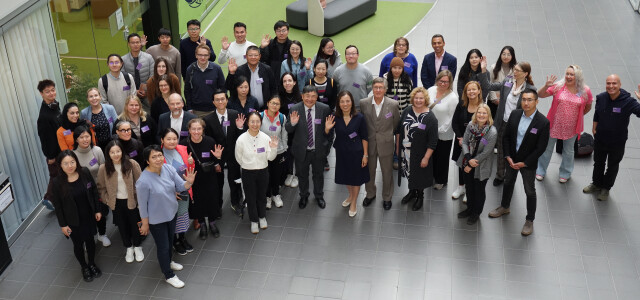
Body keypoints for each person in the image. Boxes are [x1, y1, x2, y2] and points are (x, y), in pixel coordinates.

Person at [488, 89, 550, 236]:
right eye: (524, 99)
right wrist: (508, 156)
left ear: (537, 101)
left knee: (529, 190)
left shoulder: (543, 122)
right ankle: (504, 206)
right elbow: (506, 137)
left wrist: (525, 163)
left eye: (530, 100)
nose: (526, 103)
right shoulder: (515, 114)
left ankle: (530, 220)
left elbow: (540, 148)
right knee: (508, 182)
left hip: (528, 163)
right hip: (512, 159)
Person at [136, 145, 196, 288]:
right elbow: (142, 206)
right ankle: (168, 274)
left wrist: (189, 182)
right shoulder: (143, 181)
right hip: (157, 220)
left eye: (160, 155)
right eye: (154, 157)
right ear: (147, 161)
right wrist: (145, 224)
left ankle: (168, 261)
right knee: (163, 247)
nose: (158, 159)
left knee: (169, 242)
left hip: (171, 213)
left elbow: (181, 186)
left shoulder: (168, 169)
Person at [480, 60, 536, 186]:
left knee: (513, 152)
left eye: (517, 70)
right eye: (514, 69)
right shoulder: (507, 82)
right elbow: (488, 86)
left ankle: (511, 176)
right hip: (503, 123)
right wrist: (483, 70)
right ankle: (500, 175)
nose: (514, 72)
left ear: (525, 74)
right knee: (500, 150)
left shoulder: (529, 89)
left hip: (517, 126)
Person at [583, 76, 640, 200]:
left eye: (614, 83)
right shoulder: (601, 97)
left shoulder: (629, 102)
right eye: (608, 83)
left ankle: (606, 188)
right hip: (600, 139)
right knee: (598, 163)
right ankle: (596, 184)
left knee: (612, 165)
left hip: (617, 142)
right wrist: (594, 127)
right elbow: (597, 113)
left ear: (620, 85)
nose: (611, 86)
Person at [51, 150, 102, 282]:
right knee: (78, 244)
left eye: (72, 162)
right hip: (73, 220)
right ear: (60, 166)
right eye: (66, 163)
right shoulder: (57, 183)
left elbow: (94, 191)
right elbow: (58, 206)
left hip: (88, 216)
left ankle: (91, 263)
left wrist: (97, 210)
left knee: (90, 241)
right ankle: (84, 267)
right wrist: (63, 225)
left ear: (76, 161)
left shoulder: (84, 172)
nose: (70, 166)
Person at [536, 65, 593, 183]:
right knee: (547, 148)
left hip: (572, 128)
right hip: (554, 124)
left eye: (572, 74)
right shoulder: (558, 86)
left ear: (578, 76)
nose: (569, 76)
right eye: (567, 74)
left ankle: (565, 173)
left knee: (569, 151)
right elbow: (540, 95)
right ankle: (540, 170)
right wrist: (546, 86)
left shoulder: (585, 90)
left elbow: (588, 105)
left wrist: (578, 116)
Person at [285, 85, 334, 209]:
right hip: (301, 151)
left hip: (318, 150)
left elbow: (330, 132)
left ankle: (319, 196)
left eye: (313, 96)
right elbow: (288, 129)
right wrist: (293, 123)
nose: (310, 99)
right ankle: (304, 195)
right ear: (302, 96)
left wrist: (326, 148)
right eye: (307, 96)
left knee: (318, 175)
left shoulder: (324, 109)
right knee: (302, 175)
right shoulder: (295, 109)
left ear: (317, 97)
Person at [97, 140, 144, 262]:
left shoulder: (132, 164)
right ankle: (128, 247)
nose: (116, 154)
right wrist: (107, 200)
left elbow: (141, 182)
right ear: (108, 154)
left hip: (132, 200)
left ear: (122, 151)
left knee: (135, 224)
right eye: (112, 152)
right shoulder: (104, 168)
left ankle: (138, 247)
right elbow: (101, 187)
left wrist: (140, 200)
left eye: (118, 151)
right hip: (116, 202)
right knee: (122, 226)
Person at [360, 77, 400, 210]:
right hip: (369, 143)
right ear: (372, 88)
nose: (378, 90)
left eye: (380, 87)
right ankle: (370, 193)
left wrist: (387, 135)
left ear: (385, 89)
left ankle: (387, 197)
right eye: (375, 87)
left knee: (387, 172)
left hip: (386, 143)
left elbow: (395, 125)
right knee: (369, 171)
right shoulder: (364, 103)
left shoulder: (393, 104)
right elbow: (362, 124)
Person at [180, 119, 224, 239]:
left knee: (211, 200)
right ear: (189, 130)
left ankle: (212, 223)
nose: (196, 131)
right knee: (198, 202)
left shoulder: (210, 141)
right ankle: (202, 224)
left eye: (199, 129)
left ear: (203, 129)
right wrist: (187, 163)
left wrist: (218, 158)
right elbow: (180, 166)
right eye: (193, 129)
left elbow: (215, 162)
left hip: (209, 177)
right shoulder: (183, 145)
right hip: (194, 179)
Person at [203, 90, 245, 216]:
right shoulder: (208, 119)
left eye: (223, 99)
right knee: (218, 183)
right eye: (217, 99)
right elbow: (209, 141)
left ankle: (235, 202)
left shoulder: (235, 114)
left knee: (235, 180)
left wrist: (240, 128)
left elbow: (240, 137)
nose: (220, 102)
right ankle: (218, 206)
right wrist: (215, 162)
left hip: (233, 155)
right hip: (218, 156)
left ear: (227, 100)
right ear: (213, 102)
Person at [236, 112, 279, 233]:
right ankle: (254, 220)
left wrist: (274, 148)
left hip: (263, 171)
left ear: (261, 123)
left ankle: (262, 217)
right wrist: (248, 165)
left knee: (261, 196)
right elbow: (238, 157)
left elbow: (270, 158)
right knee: (250, 197)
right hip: (247, 172)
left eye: (257, 122)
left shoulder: (265, 138)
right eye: (252, 122)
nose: (255, 124)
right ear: (247, 123)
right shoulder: (241, 139)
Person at [396, 87, 438, 211]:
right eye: (416, 98)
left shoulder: (430, 118)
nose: (418, 100)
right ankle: (411, 192)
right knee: (410, 172)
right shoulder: (407, 110)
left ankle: (420, 196)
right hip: (406, 151)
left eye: (421, 98)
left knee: (420, 175)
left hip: (421, 153)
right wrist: (398, 147)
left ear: (425, 99)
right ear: (413, 98)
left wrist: (426, 157)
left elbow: (433, 141)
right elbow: (399, 130)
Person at [456, 104, 497, 225]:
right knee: (469, 188)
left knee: (479, 190)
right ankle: (469, 209)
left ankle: (476, 213)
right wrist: (468, 158)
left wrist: (471, 163)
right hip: (467, 160)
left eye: (484, 113)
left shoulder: (492, 132)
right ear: (476, 114)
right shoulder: (471, 125)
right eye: (479, 112)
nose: (481, 115)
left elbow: (486, 152)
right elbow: (464, 142)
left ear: (488, 115)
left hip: (481, 165)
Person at [332, 91, 369, 217]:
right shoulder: (335, 117)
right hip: (342, 152)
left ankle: (353, 202)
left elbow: (364, 137)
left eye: (348, 101)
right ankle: (351, 195)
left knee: (356, 179)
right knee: (346, 176)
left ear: (352, 102)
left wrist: (365, 154)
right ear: (338, 103)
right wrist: (326, 128)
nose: (345, 104)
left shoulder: (359, 118)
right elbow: (327, 134)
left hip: (356, 152)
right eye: (342, 101)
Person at [72, 126, 110, 247]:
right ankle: (88, 237)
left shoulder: (97, 151)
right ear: (76, 139)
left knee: (101, 213)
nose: (85, 139)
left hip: (98, 189)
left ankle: (102, 234)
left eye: (87, 136)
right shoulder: (73, 155)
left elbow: (104, 168)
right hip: (83, 192)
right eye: (81, 137)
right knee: (86, 216)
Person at [160, 128, 195, 255]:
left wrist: (191, 163)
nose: (172, 141)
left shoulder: (182, 149)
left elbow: (189, 170)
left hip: (184, 191)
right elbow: (157, 178)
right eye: (168, 139)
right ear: (162, 140)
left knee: (183, 215)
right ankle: (174, 241)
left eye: (174, 138)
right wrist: (171, 192)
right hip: (169, 194)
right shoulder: (158, 155)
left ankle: (182, 238)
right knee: (171, 218)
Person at [451, 81, 484, 201]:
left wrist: (474, 142)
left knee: (472, 165)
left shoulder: (483, 107)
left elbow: (486, 126)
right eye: (469, 90)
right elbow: (454, 123)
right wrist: (460, 138)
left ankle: (469, 190)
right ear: (465, 92)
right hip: (461, 141)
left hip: (476, 144)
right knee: (461, 164)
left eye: (474, 89)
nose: (471, 92)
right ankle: (461, 187)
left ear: (479, 91)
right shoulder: (462, 104)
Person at [428, 70, 459, 190]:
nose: (443, 84)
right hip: (431, 130)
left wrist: (439, 130)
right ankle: (432, 175)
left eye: (446, 82)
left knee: (442, 157)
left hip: (444, 133)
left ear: (450, 82)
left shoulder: (453, 98)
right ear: (437, 80)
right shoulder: (431, 90)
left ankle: (441, 180)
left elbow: (451, 118)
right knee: (432, 154)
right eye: (441, 81)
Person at [259, 96, 288, 209]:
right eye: (272, 103)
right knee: (266, 174)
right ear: (267, 103)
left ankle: (276, 194)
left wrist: (284, 149)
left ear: (280, 106)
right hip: (264, 152)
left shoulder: (282, 117)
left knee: (276, 174)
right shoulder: (260, 116)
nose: (274, 105)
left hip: (278, 151)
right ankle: (267, 197)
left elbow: (284, 134)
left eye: (277, 104)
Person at [37, 79, 61, 210]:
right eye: (47, 92)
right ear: (41, 94)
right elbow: (45, 138)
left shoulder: (54, 105)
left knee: (58, 176)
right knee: (56, 176)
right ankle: (49, 199)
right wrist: (51, 156)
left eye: (52, 90)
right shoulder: (44, 116)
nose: (51, 93)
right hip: (54, 153)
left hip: (60, 149)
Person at [184, 44, 226, 117]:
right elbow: (187, 90)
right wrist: (189, 107)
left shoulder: (217, 69)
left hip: (214, 110)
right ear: (196, 55)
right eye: (200, 55)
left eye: (205, 55)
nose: (203, 57)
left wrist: (221, 105)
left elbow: (223, 88)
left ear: (209, 56)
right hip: (197, 111)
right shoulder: (190, 69)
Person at [279, 72, 302, 188]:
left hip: (297, 130)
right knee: (287, 151)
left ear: (294, 82)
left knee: (297, 151)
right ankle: (289, 173)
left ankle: (297, 174)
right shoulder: (278, 97)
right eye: (284, 81)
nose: (287, 83)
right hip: (283, 130)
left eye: (289, 81)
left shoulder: (300, 97)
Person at [333, 45, 373, 110]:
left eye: (353, 53)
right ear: (345, 56)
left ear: (358, 55)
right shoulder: (337, 72)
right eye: (348, 54)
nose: (351, 56)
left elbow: (369, 88)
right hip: (343, 108)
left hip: (361, 108)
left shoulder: (366, 71)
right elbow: (335, 89)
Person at [122, 33, 154, 109]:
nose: (135, 45)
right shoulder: (123, 60)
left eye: (137, 42)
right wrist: (134, 91)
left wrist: (145, 89)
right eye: (133, 43)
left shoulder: (148, 58)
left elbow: (153, 75)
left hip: (147, 93)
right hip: (131, 95)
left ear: (140, 43)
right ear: (128, 44)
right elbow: (122, 81)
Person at [487, 46, 517, 118]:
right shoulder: (493, 67)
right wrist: (495, 99)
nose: (505, 57)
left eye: (508, 54)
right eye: (503, 54)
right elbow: (489, 84)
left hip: (509, 102)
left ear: (512, 56)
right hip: (494, 102)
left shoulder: (516, 69)